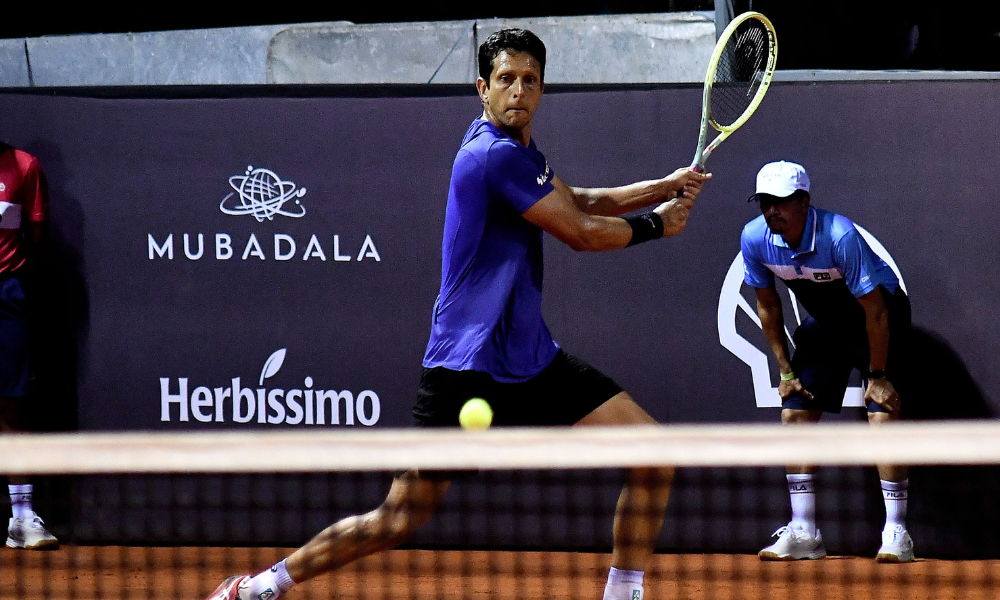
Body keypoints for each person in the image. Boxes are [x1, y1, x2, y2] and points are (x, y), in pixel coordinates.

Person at [205, 28, 709, 600]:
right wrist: (658, 224)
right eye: (506, 80)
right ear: (483, 88)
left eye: (530, 80)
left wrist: (659, 188)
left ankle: (623, 593)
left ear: (542, 88)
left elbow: (579, 201)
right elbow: (581, 233)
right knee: (398, 519)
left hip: (528, 360)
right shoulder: (491, 155)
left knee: (654, 452)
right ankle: (260, 588)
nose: (519, 90)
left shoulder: (518, 152)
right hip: (464, 367)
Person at [740, 160, 913, 563]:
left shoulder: (839, 236)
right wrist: (785, 370)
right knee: (795, 412)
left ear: (804, 201)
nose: (771, 211)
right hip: (827, 323)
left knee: (881, 413)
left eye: (781, 202)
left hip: (878, 315)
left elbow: (876, 312)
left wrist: (879, 375)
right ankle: (804, 531)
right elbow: (767, 306)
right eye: (765, 202)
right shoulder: (754, 238)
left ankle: (896, 532)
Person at [0, 142, 59, 550]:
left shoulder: (24, 166)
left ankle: (21, 518)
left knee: (12, 403)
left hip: (6, 294)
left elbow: (38, 237)